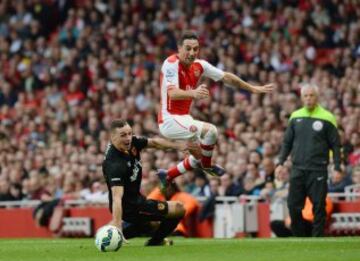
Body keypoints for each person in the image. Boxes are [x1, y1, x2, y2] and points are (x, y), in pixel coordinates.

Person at [157, 30, 274, 186]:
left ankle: (168, 175)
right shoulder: (171, 63)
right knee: (211, 131)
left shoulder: (200, 65)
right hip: (169, 119)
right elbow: (172, 93)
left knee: (199, 155)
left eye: (195, 49)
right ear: (179, 48)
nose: (192, 52)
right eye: (188, 48)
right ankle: (207, 166)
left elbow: (226, 77)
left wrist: (252, 88)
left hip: (184, 118)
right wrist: (194, 93)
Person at [103, 119, 191, 246]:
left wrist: (179, 146)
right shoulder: (114, 164)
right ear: (112, 136)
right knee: (179, 209)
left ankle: (109, 237)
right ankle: (155, 241)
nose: (128, 138)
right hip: (130, 207)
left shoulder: (132, 142)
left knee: (149, 224)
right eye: (123, 135)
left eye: (129, 133)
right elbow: (117, 197)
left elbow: (154, 142)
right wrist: (117, 225)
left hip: (137, 200)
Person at [275, 83, 342, 237]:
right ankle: (300, 238)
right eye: (306, 96)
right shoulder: (295, 116)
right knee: (293, 205)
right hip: (297, 169)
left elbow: (336, 146)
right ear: (302, 98)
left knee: (319, 206)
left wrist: (337, 167)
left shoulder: (327, 117)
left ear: (317, 97)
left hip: (318, 169)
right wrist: (280, 163)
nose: (309, 99)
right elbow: (287, 143)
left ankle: (317, 238)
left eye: (311, 95)